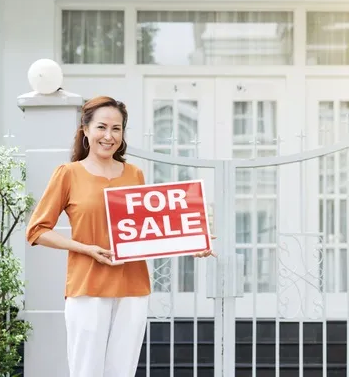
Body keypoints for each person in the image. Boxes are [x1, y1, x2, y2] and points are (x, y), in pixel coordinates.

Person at [25, 96, 213, 377]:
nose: (109, 136)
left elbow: (148, 229)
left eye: (117, 128)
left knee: (122, 371)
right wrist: (86, 248)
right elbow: (37, 231)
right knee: (86, 370)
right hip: (88, 287)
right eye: (102, 127)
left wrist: (192, 242)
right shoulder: (68, 174)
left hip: (133, 286)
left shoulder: (134, 174)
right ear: (85, 130)